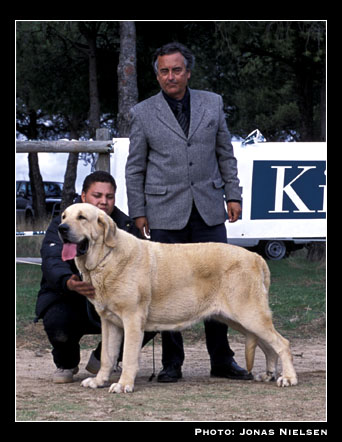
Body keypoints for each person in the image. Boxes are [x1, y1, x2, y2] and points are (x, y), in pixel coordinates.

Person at [125, 42, 252, 383]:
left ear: (188, 72)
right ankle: (172, 364)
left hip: (210, 210)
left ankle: (222, 361)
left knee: (220, 287)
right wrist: (138, 211)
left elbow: (226, 154)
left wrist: (233, 194)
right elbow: (134, 168)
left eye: (176, 70)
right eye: (164, 71)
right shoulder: (142, 112)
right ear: (157, 75)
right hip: (164, 212)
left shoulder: (213, 102)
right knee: (166, 290)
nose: (171, 76)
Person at [35, 171, 156, 383]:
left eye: (109, 197)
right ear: (83, 196)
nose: (103, 202)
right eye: (97, 195)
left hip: (114, 300)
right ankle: (66, 363)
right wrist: (68, 281)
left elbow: (141, 264)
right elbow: (52, 259)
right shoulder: (61, 224)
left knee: (151, 315)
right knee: (57, 320)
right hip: (71, 298)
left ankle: (104, 359)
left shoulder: (125, 226)